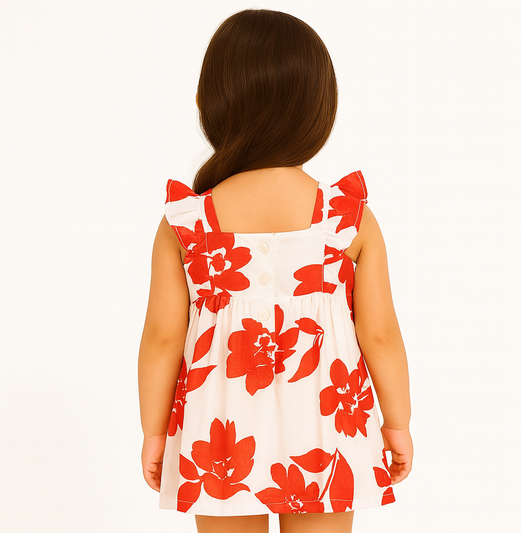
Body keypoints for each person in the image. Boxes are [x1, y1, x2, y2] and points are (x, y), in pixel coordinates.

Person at [138, 8, 413, 533]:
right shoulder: (346, 218)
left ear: (207, 104)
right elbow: (379, 335)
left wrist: (154, 432)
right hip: (327, 429)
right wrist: (396, 422)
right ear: (320, 109)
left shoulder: (188, 223)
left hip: (217, 433)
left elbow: (162, 338)